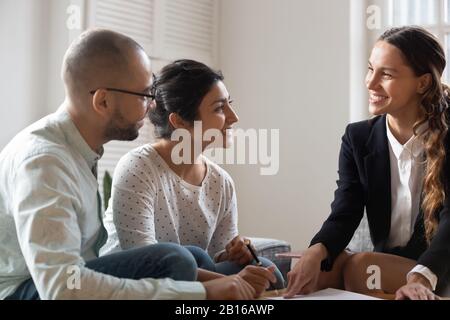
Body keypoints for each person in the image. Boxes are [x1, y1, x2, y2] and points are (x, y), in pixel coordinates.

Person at [0, 29, 273, 300]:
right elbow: (61, 288)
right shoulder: (46, 161)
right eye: (143, 95)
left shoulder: (78, 152)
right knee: (176, 258)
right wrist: (200, 292)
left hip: (65, 280)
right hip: (25, 291)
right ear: (103, 101)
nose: (152, 106)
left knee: (204, 258)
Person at [286, 26, 450, 300]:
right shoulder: (358, 137)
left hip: (438, 264)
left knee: (360, 267)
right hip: (390, 262)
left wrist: (421, 277)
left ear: (421, 83)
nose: (371, 83)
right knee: (318, 269)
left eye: (386, 74)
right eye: (370, 69)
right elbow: (346, 209)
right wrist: (316, 250)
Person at [101, 59, 284, 292]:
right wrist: (223, 282)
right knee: (185, 256)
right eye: (219, 108)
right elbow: (148, 260)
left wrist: (235, 253)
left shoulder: (221, 182)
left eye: (230, 104)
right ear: (179, 121)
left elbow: (215, 258)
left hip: (188, 275)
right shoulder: (138, 167)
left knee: (268, 272)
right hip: (135, 283)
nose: (233, 117)